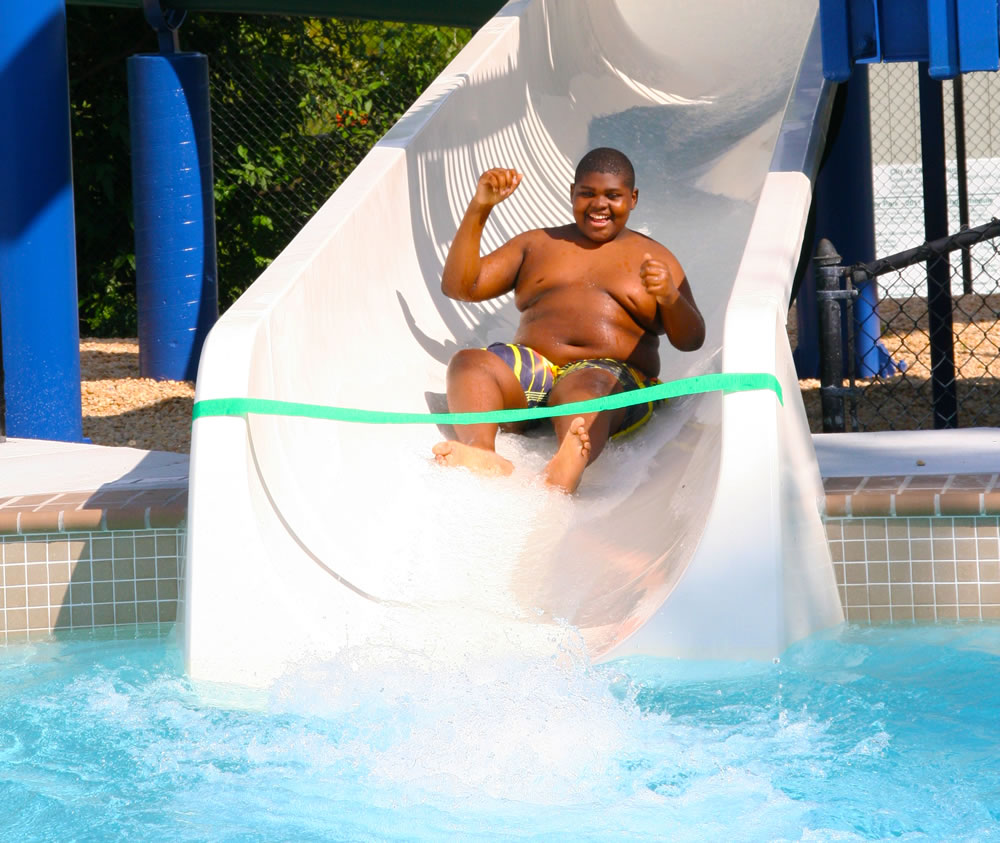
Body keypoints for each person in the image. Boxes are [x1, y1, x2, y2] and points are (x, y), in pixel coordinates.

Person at [432, 147, 705, 493]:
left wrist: (670, 297)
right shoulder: (539, 244)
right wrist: (480, 208)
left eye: (613, 196)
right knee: (469, 362)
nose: (599, 205)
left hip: (607, 378)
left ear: (633, 198)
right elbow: (460, 286)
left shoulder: (653, 257)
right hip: (536, 369)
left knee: (586, 388)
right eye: (587, 194)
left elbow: (692, 338)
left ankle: (568, 460)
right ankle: (479, 449)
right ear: (572, 193)